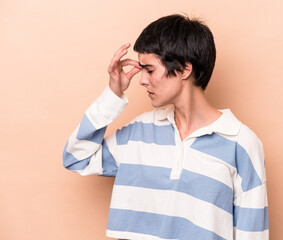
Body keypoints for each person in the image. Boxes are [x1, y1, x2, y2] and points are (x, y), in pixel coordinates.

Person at [63, 14, 269, 240]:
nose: (141, 80)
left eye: (149, 70)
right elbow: (76, 158)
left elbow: (252, 234)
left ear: (183, 70)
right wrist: (113, 95)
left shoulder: (241, 143)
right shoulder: (139, 131)